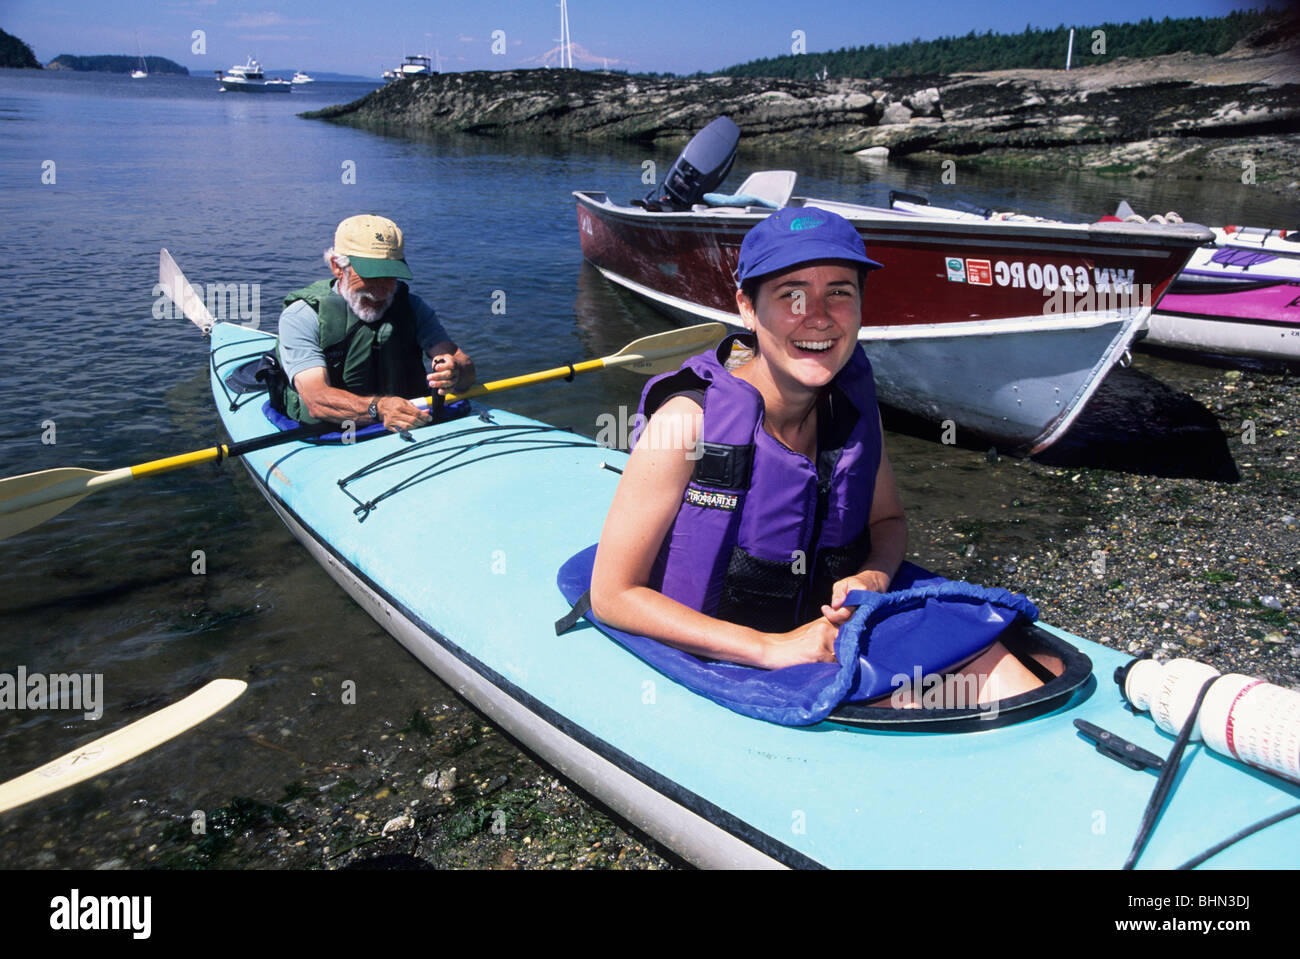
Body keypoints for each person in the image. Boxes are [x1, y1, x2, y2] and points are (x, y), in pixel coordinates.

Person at [590, 207, 1039, 701]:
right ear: (746, 307)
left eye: (840, 293)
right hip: (724, 657)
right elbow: (612, 595)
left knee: (1013, 678)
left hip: (822, 637)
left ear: (862, 306)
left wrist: (874, 573)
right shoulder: (686, 424)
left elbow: (888, 522)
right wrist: (771, 648)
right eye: (792, 295)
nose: (819, 317)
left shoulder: (848, 412)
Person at [272, 214, 475, 431]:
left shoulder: (413, 307)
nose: (380, 290)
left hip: (406, 417)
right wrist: (379, 408)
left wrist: (455, 373)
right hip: (334, 431)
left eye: (389, 276)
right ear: (337, 267)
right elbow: (316, 399)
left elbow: (462, 365)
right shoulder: (302, 316)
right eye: (370, 276)